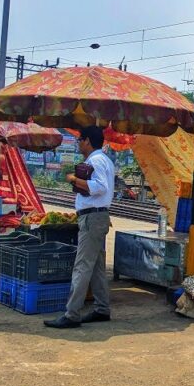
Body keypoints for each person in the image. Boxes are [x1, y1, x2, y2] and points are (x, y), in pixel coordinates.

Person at [44, 125, 115, 329]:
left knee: (82, 265)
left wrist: (75, 180)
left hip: (92, 218)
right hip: (96, 217)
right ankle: (102, 308)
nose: (77, 143)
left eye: (79, 140)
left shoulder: (96, 160)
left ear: (87, 141)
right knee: (97, 267)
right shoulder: (102, 160)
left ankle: (72, 313)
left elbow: (100, 187)